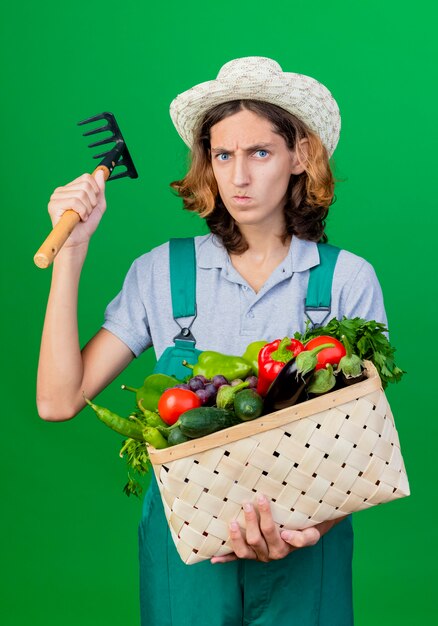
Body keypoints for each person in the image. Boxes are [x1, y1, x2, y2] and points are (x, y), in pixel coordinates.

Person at [37, 57, 387, 625]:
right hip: (187, 556)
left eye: (260, 153)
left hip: (305, 553)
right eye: (223, 155)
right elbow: (56, 401)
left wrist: (305, 529)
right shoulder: (161, 273)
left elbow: (362, 450)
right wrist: (71, 254)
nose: (238, 177)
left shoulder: (346, 281)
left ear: (300, 157)